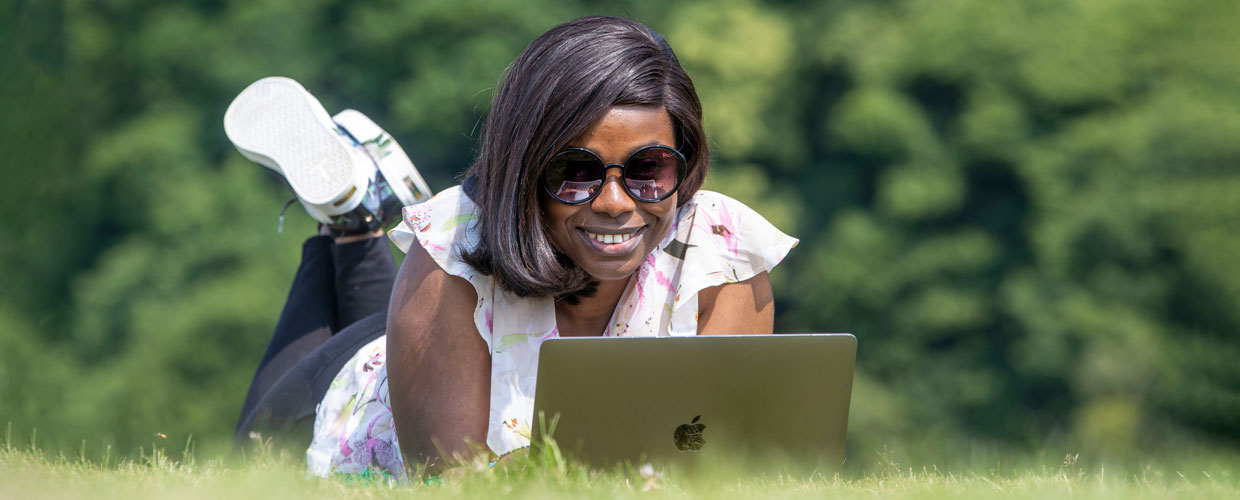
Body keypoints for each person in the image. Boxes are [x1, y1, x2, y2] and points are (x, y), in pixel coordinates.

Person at [228, 16, 798, 481]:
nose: (616, 202)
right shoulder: (452, 243)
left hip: (431, 325)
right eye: (577, 172)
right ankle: (351, 224)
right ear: (523, 169)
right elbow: (451, 483)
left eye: (649, 169)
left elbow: (723, 469)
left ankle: (361, 214)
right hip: (355, 404)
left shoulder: (723, 250)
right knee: (251, 450)